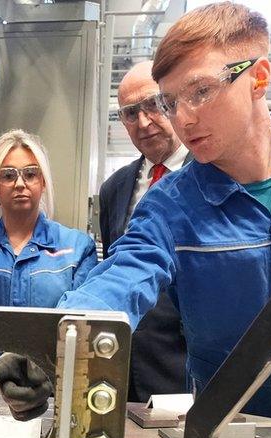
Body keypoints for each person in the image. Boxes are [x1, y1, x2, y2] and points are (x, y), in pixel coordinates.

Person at [59, 1, 271, 419]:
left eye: (201, 91)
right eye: (170, 102)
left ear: (259, 77)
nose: (183, 118)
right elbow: (122, 276)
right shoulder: (169, 207)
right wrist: (56, 336)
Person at [0, 129, 97, 413]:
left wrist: (48, 379)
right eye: (8, 175)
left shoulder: (77, 248)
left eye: (30, 173)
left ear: (43, 182)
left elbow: (81, 328)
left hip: (55, 398)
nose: (20, 183)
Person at [100, 61, 189, 403]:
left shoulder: (209, 175)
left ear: (171, 102)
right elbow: (119, 270)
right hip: (126, 370)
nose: (144, 122)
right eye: (130, 113)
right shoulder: (115, 188)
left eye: (153, 105)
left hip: (186, 371)